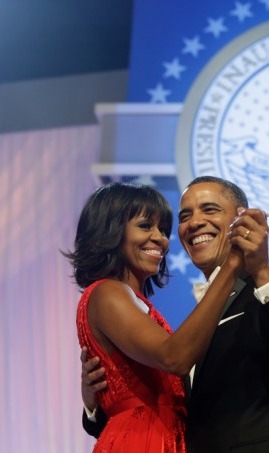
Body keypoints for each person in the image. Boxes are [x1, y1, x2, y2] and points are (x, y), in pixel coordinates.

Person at [81, 176, 269, 453]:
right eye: (185, 216)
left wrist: (261, 271)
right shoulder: (191, 324)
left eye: (210, 210)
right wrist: (97, 402)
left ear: (241, 219)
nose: (194, 222)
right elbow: (165, 403)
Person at [64, 182, 244, 452]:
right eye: (146, 226)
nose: (160, 238)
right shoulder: (106, 293)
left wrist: (95, 403)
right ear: (110, 230)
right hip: (142, 440)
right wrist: (232, 265)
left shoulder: (134, 302)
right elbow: (174, 357)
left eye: (162, 229)